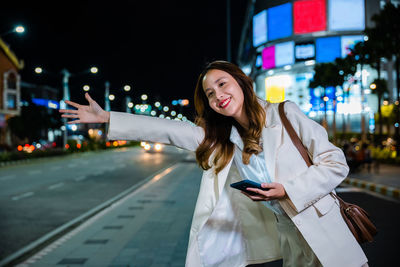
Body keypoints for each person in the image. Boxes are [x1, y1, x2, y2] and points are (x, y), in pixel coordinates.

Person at [59, 61, 368, 267]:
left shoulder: (285, 114)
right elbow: (167, 129)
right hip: (290, 240)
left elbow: (335, 164)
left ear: (241, 82)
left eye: (223, 84)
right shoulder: (220, 139)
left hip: (325, 229)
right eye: (210, 93)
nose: (218, 95)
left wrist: (287, 189)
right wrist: (107, 118)